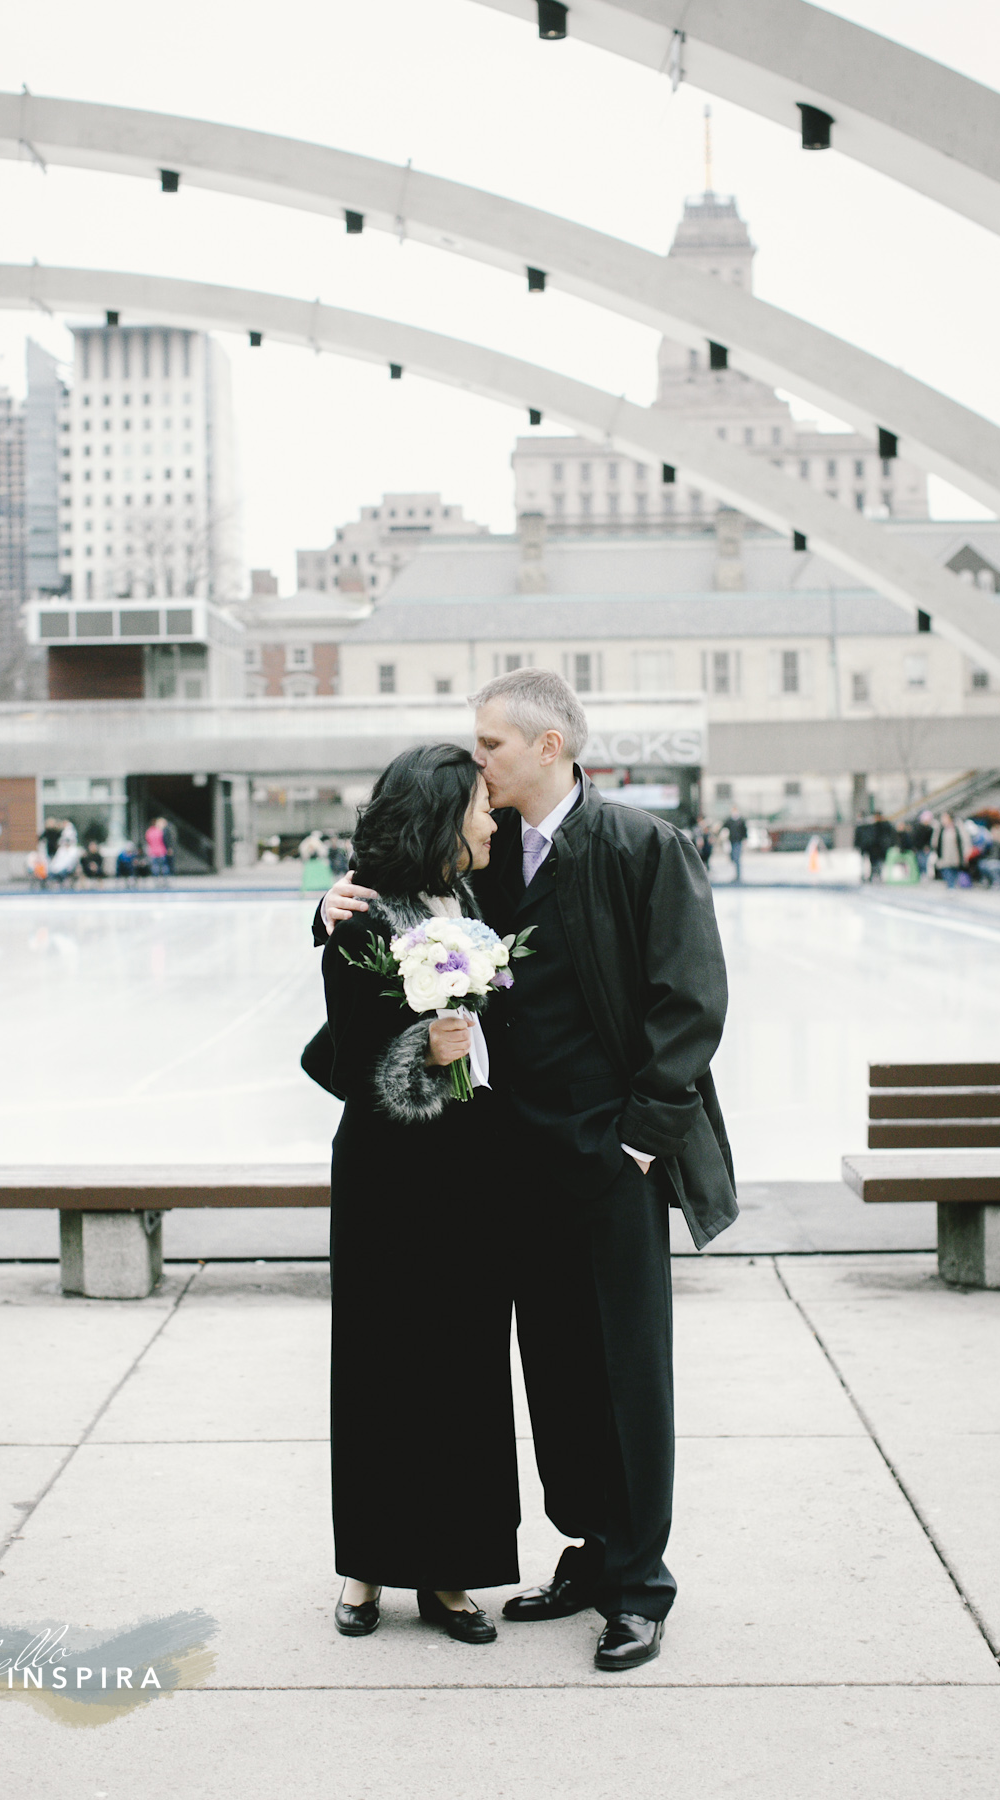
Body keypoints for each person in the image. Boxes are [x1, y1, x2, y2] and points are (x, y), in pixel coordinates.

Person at [320, 670, 735, 1673]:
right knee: (556, 1373)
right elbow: (401, 915)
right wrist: (327, 909)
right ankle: (590, 1552)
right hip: (510, 1161)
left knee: (628, 1376)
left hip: (612, 1161)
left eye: (492, 747)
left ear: (551, 745)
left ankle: (640, 1585)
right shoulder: (487, 854)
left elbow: (691, 1001)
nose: (480, 764)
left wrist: (640, 1139)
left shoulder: (642, 845)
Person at [321, 744, 519, 1647]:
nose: (492, 819)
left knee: (464, 1363)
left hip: (470, 1171)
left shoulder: (476, 897)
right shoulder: (362, 912)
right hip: (389, 1176)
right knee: (381, 1363)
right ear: (441, 819)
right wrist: (420, 1053)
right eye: (479, 806)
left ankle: (449, 1571)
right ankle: (366, 1567)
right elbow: (346, 1049)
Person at [932, 811, 972, 889]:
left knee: (954, 869)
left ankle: (952, 885)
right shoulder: (940, 828)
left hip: (956, 854)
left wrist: (966, 852)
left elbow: (965, 840)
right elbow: (935, 841)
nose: (942, 820)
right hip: (944, 854)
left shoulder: (957, 827)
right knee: (946, 870)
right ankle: (950, 886)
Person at [723, 806, 747, 883]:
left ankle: (738, 875)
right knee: (733, 857)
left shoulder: (741, 821)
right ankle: (736, 875)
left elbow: (744, 831)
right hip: (731, 841)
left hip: (738, 841)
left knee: (737, 858)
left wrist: (745, 839)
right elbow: (724, 827)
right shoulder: (729, 820)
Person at [144, 817, 171, 885]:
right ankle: (165, 881)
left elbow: (148, 841)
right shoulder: (160, 831)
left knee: (155, 867)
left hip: (153, 852)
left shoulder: (148, 832)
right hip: (161, 851)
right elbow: (164, 840)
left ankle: (156, 881)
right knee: (164, 866)